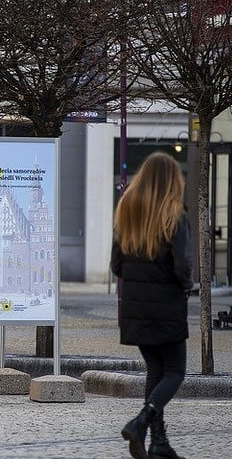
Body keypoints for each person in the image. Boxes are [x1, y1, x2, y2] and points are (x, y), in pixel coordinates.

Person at [111, 152, 192, 459]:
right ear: (172, 181)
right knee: (175, 371)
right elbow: (182, 267)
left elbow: (116, 265)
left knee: (156, 372)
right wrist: (186, 287)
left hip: (134, 310)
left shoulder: (126, 212)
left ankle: (159, 443)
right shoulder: (174, 216)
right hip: (167, 308)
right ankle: (141, 422)